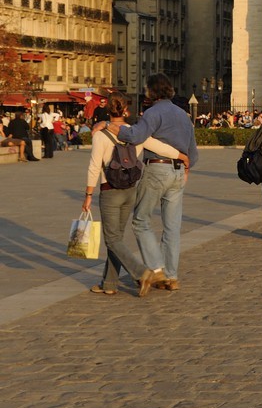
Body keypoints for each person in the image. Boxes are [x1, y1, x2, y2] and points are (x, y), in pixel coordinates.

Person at [81, 91, 188, 296]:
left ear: (108, 110)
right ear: (126, 110)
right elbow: (158, 146)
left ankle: (142, 273)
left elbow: (94, 167)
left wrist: (88, 195)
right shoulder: (135, 133)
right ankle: (110, 284)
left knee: (112, 239)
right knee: (117, 238)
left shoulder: (101, 135)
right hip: (130, 189)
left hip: (109, 191)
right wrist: (180, 155)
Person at [116, 74, 198, 292]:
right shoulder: (183, 115)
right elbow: (193, 152)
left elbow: (135, 136)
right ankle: (171, 276)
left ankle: (156, 267)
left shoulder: (153, 112)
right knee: (172, 227)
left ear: (152, 91)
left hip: (156, 168)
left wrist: (114, 127)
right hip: (179, 172)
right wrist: (186, 169)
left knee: (141, 220)